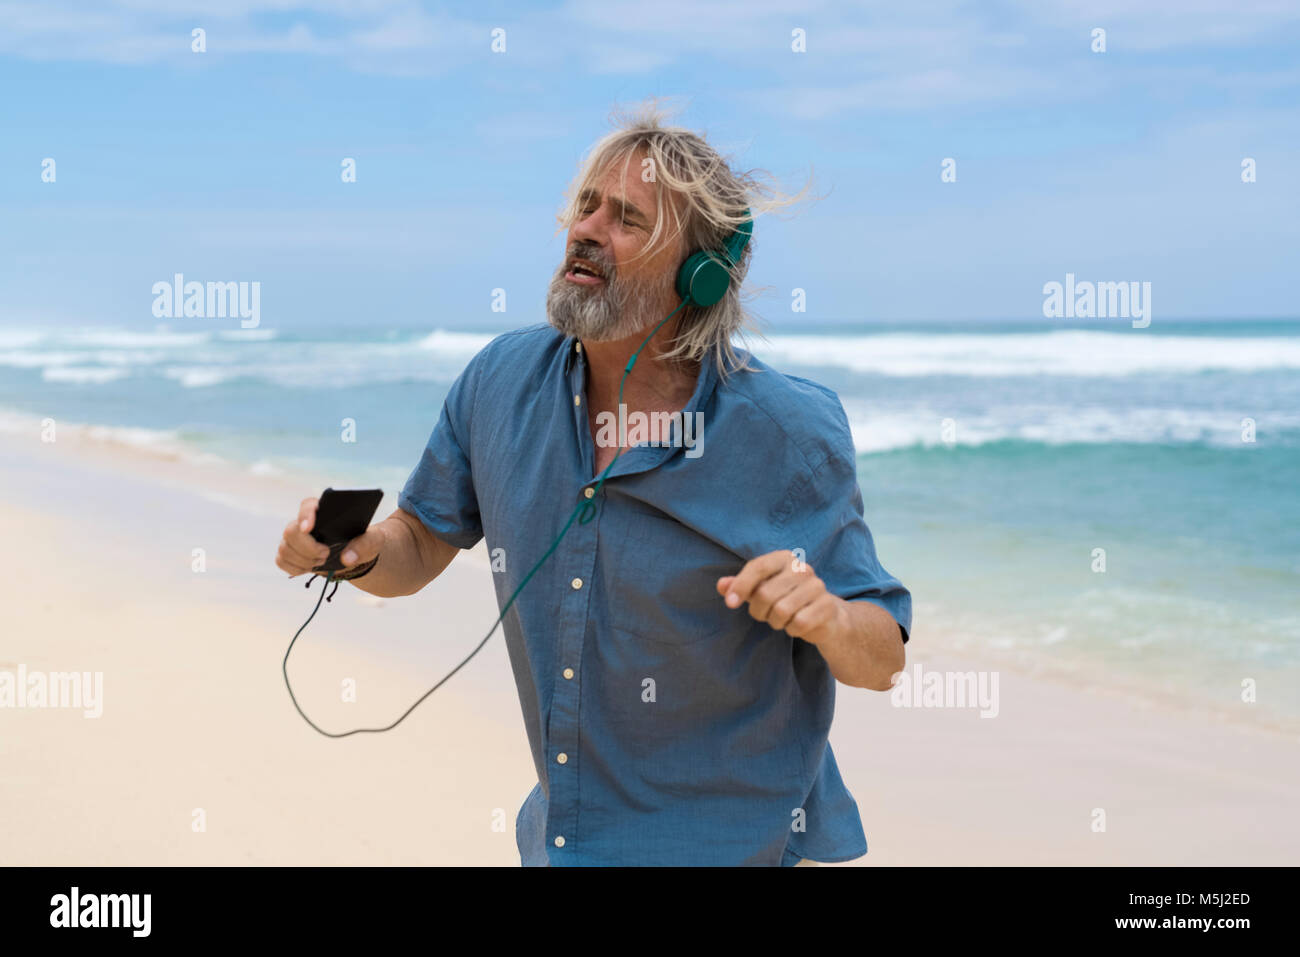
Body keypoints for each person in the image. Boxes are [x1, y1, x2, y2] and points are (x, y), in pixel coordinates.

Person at [275, 103, 911, 866]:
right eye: (586, 206)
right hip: (563, 844)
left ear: (700, 276)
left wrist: (829, 618)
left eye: (627, 220)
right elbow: (418, 539)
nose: (587, 228)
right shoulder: (498, 383)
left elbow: (881, 657)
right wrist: (354, 552)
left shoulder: (787, 431)